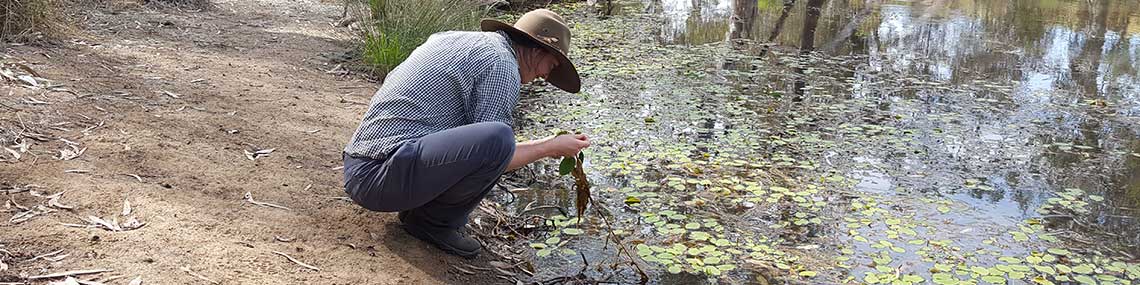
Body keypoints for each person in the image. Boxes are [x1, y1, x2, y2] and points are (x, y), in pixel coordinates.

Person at [341, 9, 590, 257]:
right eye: (552, 65)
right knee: (500, 137)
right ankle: (432, 223)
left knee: (497, 138)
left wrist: (549, 142)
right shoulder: (502, 65)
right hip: (378, 179)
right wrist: (547, 149)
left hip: (364, 166)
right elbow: (498, 152)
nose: (546, 76)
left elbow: (483, 145)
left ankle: (421, 213)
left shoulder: (458, 40)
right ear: (537, 49)